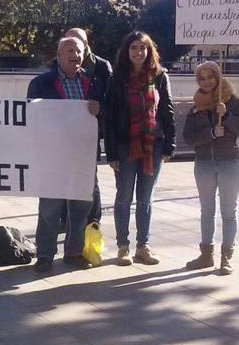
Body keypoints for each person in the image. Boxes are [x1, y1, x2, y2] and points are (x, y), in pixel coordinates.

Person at [28, 36, 103, 272]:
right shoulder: (41, 83)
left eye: (79, 51)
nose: (75, 55)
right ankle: (45, 254)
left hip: (83, 155)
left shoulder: (93, 83)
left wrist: (100, 110)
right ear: (59, 56)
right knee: (50, 206)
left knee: (80, 207)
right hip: (53, 156)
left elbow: (106, 116)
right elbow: (31, 116)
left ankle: (73, 252)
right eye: (69, 50)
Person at [104, 31, 175, 266]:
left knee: (146, 199)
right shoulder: (117, 79)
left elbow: (167, 110)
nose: (138, 52)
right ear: (127, 51)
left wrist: (169, 144)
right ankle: (122, 246)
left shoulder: (160, 77)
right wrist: (111, 152)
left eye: (142, 48)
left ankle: (142, 246)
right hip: (125, 147)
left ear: (149, 51)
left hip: (152, 146)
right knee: (124, 197)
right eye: (133, 48)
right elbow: (110, 117)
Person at [183, 61, 239, 275]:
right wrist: (211, 133)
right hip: (204, 163)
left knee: (228, 211)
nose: (207, 82)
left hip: (229, 162)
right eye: (201, 78)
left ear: (217, 77)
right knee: (207, 210)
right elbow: (188, 138)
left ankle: (226, 256)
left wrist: (228, 117)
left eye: (210, 76)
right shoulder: (196, 107)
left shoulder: (232, 102)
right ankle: (206, 255)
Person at [65, 28, 112, 226]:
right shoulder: (58, 64)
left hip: (90, 134)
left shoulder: (102, 66)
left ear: (86, 45)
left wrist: (100, 109)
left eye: (78, 43)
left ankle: (93, 219)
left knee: (90, 177)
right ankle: (66, 219)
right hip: (65, 136)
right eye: (69, 43)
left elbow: (111, 99)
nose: (74, 50)